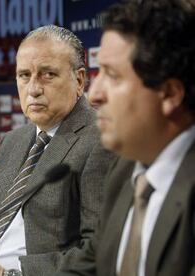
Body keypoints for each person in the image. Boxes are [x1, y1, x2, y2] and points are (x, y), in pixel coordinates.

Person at [0, 25, 116, 276]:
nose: (33, 89)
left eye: (47, 75)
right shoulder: (12, 141)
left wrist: (8, 274)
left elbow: (98, 252)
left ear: (79, 80)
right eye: (24, 75)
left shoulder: (100, 142)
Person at [57, 0, 195, 275]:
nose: (93, 94)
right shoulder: (124, 170)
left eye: (112, 75)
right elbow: (89, 265)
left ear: (169, 94)